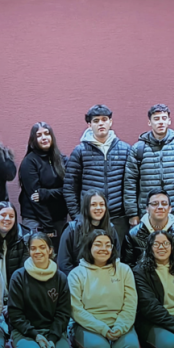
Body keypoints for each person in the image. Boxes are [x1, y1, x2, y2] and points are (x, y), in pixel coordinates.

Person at [68, 229, 139, 348]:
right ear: (89, 247)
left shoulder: (124, 270)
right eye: (98, 244)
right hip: (87, 326)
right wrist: (102, 329)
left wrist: (120, 327)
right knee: (98, 347)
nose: (103, 249)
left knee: (131, 347)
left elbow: (130, 304)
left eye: (108, 245)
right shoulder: (76, 274)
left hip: (120, 325)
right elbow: (76, 309)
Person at [7, 231, 72, 348]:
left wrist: (51, 338)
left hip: (54, 332)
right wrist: (36, 336)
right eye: (33, 248)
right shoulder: (18, 277)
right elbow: (15, 314)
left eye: (42, 247)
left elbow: (63, 313)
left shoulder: (61, 278)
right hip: (25, 333)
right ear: (28, 251)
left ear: (50, 250)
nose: (38, 252)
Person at [64, 104, 135, 244]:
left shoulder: (125, 149)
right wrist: (78, 217)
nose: (101, 123)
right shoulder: (80, 151)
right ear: (89, 125)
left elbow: (132, 184)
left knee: (117, 260)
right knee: (91, 258)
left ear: (110, 122)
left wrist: (132, 214)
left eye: (104, 119)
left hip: (119, 218)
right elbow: (69, 188)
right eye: (96, 121)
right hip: (90, 219)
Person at [125, 104, 174, 223]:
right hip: (148, 212)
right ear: (149, 122)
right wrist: (132, 214)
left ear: (169, 121)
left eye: (164, 118)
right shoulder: (138, 149)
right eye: (156, 119)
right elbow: (130, 184)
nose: (161, 122)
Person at [17, 122, 67, 247]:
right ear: (33, 139)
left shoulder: (61, 159)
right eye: (39, 135)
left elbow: (69, 189)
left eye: (47, 133)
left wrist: (45, 193)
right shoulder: (29, 162)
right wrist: (48, 227)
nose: (44, 137)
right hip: (36, 220)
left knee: (56, 260)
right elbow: (35, 198)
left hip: (59, 219)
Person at [122, 189, 174, 269]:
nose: (160, 207)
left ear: (170, 209)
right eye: (154, 204)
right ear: (147, 209)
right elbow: (127, 268)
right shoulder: (132, 235)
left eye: (164, 203)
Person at [57, 190, 118, 276]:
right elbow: (64, 263)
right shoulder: (72, 229)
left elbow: (115, 258)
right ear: (86, 207)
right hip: (78, 280)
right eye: (93, 205)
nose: (98, 208)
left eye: (102, 204)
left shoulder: (111, 229)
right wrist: (77, 280)